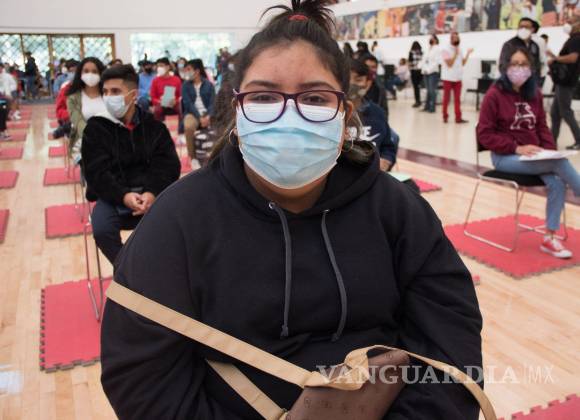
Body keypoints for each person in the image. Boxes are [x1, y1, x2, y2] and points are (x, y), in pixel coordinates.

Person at [100, 1, 483, 418]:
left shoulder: (399, 210)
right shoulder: (178, 220)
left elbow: (451, 342)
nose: (288, 114)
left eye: (314, 98)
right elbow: (142, 377)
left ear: (344, 114)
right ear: (238, 110)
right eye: (264, 97)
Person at [478, 45, 580, 258]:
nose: (519, 68)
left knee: (557, 182)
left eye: (524, 64)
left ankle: (549, 237)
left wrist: (549, 152)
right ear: (505, 66)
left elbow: (542, 127)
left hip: (534, 157)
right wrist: (516, 147)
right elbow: (485, 135)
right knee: (560, 164)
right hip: (505, 157)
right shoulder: (494, 95)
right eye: (514, 63)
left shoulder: (535, 94)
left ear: (531, 68)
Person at [81, 64, 180, 264]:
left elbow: (168, 165)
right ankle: (128, 271)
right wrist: (124, 196)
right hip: (113, 196)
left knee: (179, 223)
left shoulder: (154, 127)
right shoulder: (95, 128)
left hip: (151, 195)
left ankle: (159, 268)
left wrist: (151, 192)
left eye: (115, 91)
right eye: (105, 92)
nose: (109, 97)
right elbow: (96, 172)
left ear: (133, 95)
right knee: (101, 229)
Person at [349, 59, 396, 171]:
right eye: (347, 80)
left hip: (373, 174)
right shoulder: (333, 113)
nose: (351, 85)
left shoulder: (377, 113)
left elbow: (388, 147)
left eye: (358, 80)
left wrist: (386, 160)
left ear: (368, 84)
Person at [66, 57, 109, 164]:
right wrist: (94, 137)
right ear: (80, 74)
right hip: (83, 141)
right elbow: (78, 122)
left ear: (101, 73)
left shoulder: (108, 93)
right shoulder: (73, 98)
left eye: (94, 71)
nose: (90, 74)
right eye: (86, 71)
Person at [547, 15, 580, 150]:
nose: (567, 24)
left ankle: (579, 139)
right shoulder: (573, 39)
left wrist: (555, 59)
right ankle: (551, 141)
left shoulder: (576, 39)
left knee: (566, 111)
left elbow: (573, 58)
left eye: (570, 22)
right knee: (555, 113)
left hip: (566, 81)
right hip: (564, 81)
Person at [181, 59, 216, 170]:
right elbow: (188, 104)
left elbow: (213, 103)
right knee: (188, 126)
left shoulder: (209, 85)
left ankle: (216, 155)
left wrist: (208, 116)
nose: (186, 72)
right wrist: (200, 117)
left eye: (188, 69)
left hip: (208, 114)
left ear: (197, 71)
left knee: (224, 125)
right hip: (193, 114)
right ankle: (193, 158)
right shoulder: (185, 86)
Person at [441, 31, 473, 123]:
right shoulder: (444, 50)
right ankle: (445, 116)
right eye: (455, 38)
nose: (457, 39)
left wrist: (467, 54)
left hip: (458, 78)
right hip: (448, 78)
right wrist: (455, 53)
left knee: (457, 99)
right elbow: (449, 64)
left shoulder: (460, 49)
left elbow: (463, 63)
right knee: (446, 99)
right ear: (451, 39)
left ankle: (458, 118)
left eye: (458, 38)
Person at [150, 57, 182, 121]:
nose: (159, 68)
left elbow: (180, 96)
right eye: (158, 66)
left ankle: (177, 125)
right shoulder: (155, 81)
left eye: (161, 66)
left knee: (179, 108)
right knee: (158, 110)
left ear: (168, 67)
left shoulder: (176, 79)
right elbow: (153, 97)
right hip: (160, 104)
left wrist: (175, 101)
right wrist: (160, 101)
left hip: (174, 104)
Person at [361, 54, 389, 118]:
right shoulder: (354, 84)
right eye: (367, 67)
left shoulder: (380, 85)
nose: (370, 70)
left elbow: (384, 108)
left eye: (373, 67)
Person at [422, 34, 442, 113]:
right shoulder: (428, 49)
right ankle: (426, 107)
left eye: (432, 38)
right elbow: (424, 60)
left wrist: (429, 70)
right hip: (425, 72)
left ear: (436, 40)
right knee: (428, 90)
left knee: (432, 90)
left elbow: (437, 62)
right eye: (429, 38)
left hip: (433, 72)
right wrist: (423, 69)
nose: (430, 39)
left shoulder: (438, 49)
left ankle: (432, 107)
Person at [0, 63, 17, 140]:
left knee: (3, 111)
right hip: (2, 98)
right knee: (2, 111)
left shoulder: (7, 76)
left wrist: (7, 92)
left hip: (3, 98)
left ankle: (3, 131)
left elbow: (14, 85)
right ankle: (3, 131)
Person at [408, 41, 424, 107]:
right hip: (420, 71)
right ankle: (419, 101)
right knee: (419, 86)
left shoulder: (411, 52)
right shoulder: (422, 52)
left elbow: (409, 62)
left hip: (414, 71)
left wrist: (411, 66)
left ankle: (417, 101)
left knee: (415, 87)